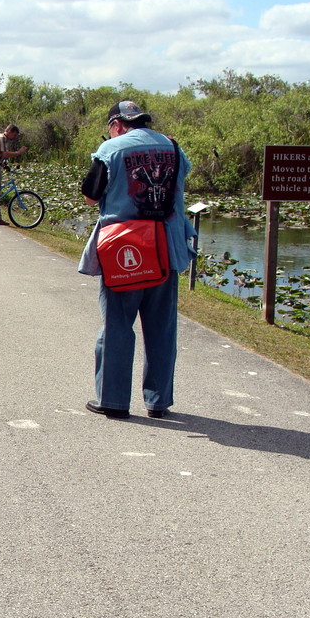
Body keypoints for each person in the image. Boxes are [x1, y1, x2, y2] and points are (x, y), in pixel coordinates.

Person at [77, 100, 198, 419]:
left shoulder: (112, 149)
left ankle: (113, 401)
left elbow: (91, 195)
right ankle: (158, 402)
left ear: (116, 125)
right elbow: (181, 181)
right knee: (162, 328)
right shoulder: (172, 146)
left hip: (125, 251)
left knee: (117, 325)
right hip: (166, 247)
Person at [0, 125, 27, 225]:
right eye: (14, 134)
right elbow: (5, 154)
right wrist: (18, 152)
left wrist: (4, 165)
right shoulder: (1, 138)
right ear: (9, 131)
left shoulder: (4, 140)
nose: (15, 137)